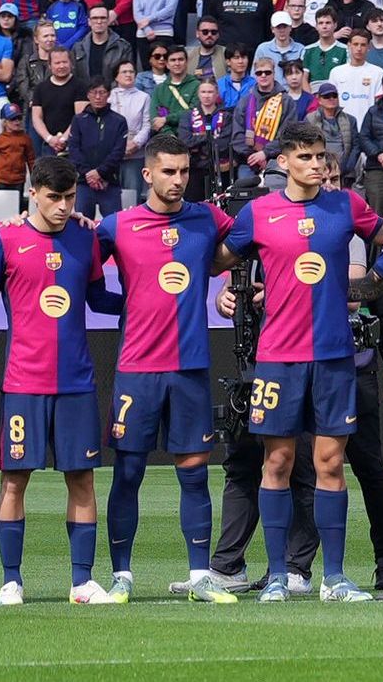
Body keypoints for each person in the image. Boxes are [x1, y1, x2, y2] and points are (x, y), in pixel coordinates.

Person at [221, 124, 379, 601]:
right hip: (278, 359)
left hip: (334, 357)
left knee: (330, 463)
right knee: (279, 461)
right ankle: (275, 577)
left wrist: (368, 283)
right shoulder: (259, 213)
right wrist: (231, 293)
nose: (316, 165)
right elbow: (217, 259)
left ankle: (334, 578)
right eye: (306, 158)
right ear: (283, 162)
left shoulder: (346, 206)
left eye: (320, 158)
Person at [105, 134, 236, 600]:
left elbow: (246, 243)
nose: (179, 180)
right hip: (137, 367)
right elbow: (72, 263)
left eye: (184, 171)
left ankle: (200, 576)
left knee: (195, 471)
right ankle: (121, 576)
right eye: (169, 172)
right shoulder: (117, 225)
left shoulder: (205, 218)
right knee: (128, 473)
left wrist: (228, 285)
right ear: (148, 174)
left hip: (190, 366)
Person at [0, 156, 111, 603]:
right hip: (23, 382)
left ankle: (81, 581)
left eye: (70, 197)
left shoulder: (85, 237)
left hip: (76, 383)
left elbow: (99, 298)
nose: (62, 206)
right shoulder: (8, 239)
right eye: (54, 197)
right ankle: (11, 580)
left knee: (82, 480)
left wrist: (150, 298)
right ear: (33, 192)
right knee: (14, 480)